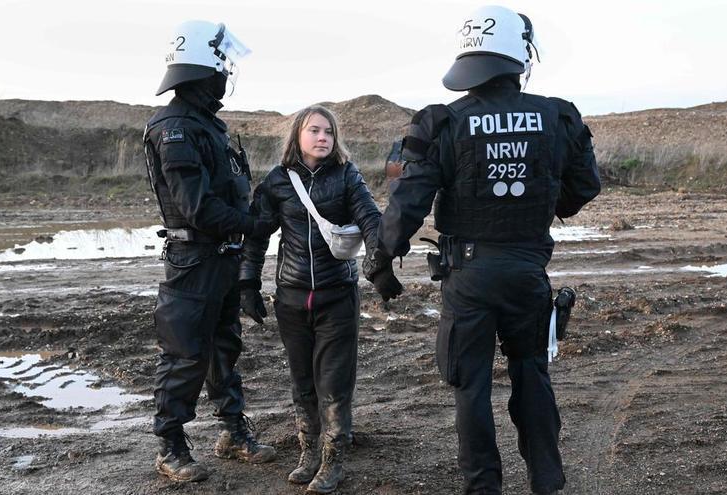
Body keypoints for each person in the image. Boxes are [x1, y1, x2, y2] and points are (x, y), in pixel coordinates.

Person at [364, 6, 601, 494]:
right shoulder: (557, 115)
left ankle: (482, 487)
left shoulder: (442, 122)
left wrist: (381, 258)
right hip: (527, 269)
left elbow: (408, 202)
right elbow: (583, 189)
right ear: (520, 55)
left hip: (467, 274)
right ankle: (548, 482)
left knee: (470, 388)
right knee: (531, 375)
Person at [143, 19, 276, 482]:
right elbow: (196, 207)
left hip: (221, 256)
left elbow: (228, 190)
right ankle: (170, 446)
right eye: (224, 66)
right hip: (194, 259)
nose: (228, 73)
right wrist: (257, 224)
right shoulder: (175, 127)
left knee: (224, 348)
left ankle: (233, 432)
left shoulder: (205, 123)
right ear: (207, 68)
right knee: (184, 353)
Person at [239, 105, 380, 493]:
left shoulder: (347, 175)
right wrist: (248, 283)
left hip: (337, 297)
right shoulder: (278, 181)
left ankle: (334, 459)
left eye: (329, 132)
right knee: (302, 381)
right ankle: (309, 452)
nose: (322, 138)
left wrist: (378, 261)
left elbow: (370, 217)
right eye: (314, 130)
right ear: (297, 136)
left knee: (333, 383)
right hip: (292, 298)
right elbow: (257, 235)